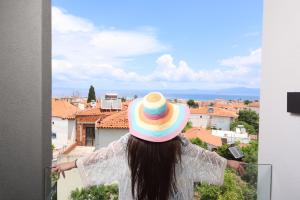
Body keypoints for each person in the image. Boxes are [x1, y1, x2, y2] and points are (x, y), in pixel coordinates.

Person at [52, 92, 244, 200]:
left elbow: (103, 156)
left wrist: (72, 164)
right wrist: (229, 163)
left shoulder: (129, 143)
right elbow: (203, 156)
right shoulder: (179, 144)